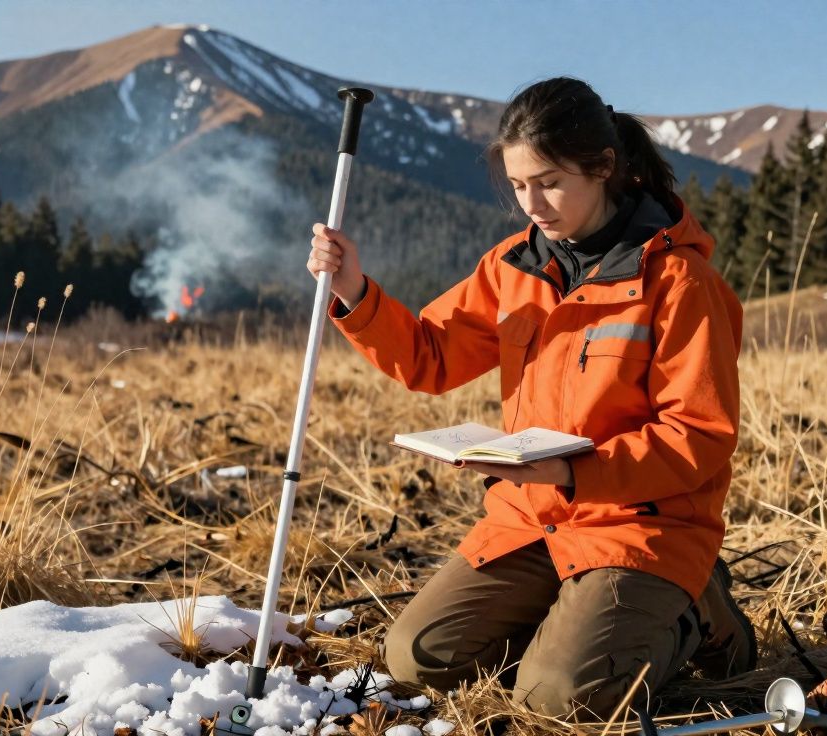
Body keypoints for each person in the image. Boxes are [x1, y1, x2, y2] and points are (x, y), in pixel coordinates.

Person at [305, 76, 754, 722]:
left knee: (560, 699)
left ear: (603, 167)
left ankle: (696, 614)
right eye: (518, 185)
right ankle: (577, 628)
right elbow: (430, 356)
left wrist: (574, 471)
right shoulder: (511, 267)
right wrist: (354, 290)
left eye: (548, 182)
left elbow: (699, 435)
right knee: (417, 656)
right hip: (531, 520)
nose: (532, 204)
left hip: (643, 527)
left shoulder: (681, 283)